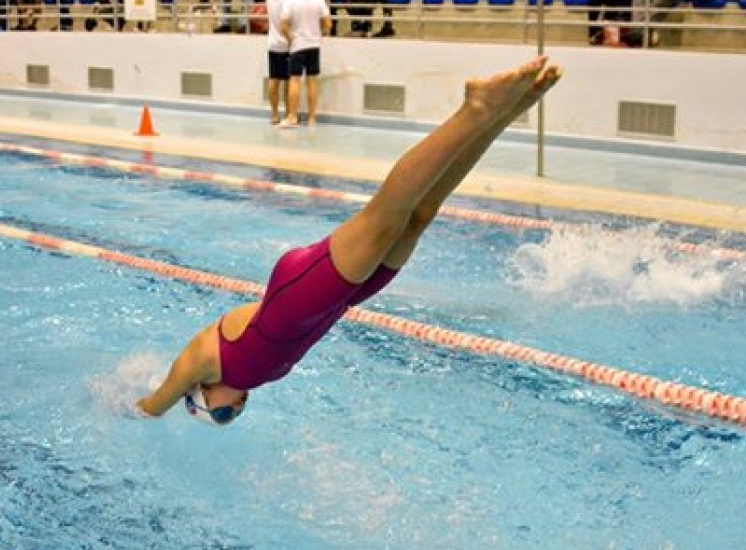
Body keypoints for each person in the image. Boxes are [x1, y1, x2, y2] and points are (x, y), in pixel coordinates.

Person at [136, 56, 562, 426]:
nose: (239, 408)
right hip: (340, 299)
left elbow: (152, 405)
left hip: (304, 293)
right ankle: (502, 115)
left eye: (224, 413)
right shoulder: (242, 372)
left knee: (383, 217)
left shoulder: (202, 360)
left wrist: (121, 406)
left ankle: (474, 108)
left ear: (200, 394)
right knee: (419, 217)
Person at [279, 0, 329, 127]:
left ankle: (293, 116)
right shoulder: (319, 0)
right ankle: (312, 118)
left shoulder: (289, 3)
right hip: (314, 44)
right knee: (312, 81)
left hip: (298, 45)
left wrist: (291, 38)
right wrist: (318, 33)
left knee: (295, 80)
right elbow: (328, 24)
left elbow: (284, 26)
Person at [265, 0, 292, 125]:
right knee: (289, 81)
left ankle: (274, 114)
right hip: (286, 44)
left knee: (274, 80)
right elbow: (286, 23)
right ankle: (289, 113)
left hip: (272, 43)